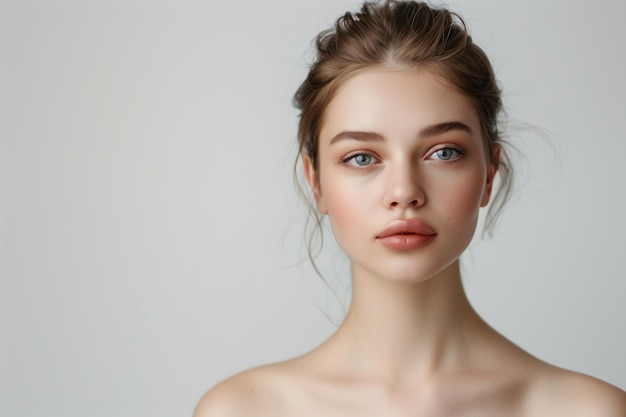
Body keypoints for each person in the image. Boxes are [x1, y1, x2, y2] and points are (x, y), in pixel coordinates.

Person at [194, 1, 626, 415]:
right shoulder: (242, 411)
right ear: (316, 182)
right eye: (362, 157)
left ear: (489, 172)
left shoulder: (588, 411)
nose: (404, 192)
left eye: (443, 152)